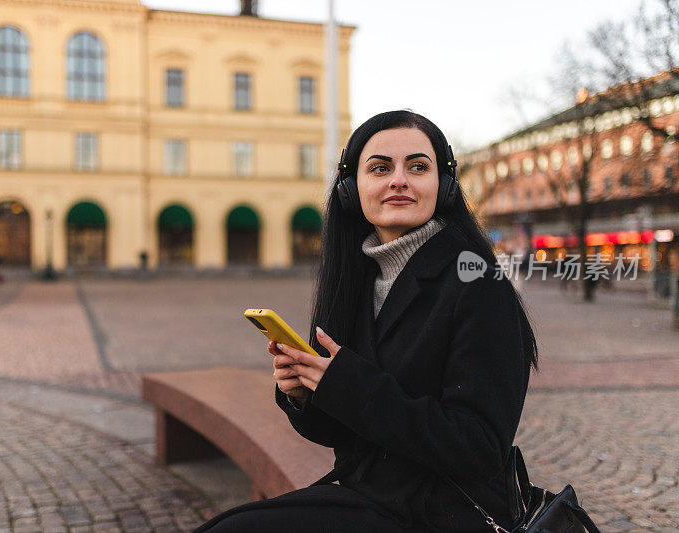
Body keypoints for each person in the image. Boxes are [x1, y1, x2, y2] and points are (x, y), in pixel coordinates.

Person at [196, 110, 539, 532]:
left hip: (446, 514)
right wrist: (303, 393)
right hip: (369, 498)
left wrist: (345, 383)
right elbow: (342, 430)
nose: (399, 180)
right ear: (350, 189)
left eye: (417, 166)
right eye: (380, 168)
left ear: (444, 187)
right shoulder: (353, 282)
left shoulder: (479, 284)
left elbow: (480, 447)